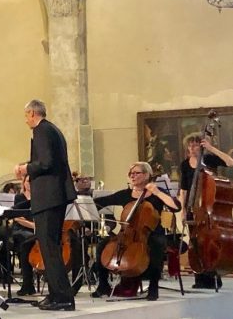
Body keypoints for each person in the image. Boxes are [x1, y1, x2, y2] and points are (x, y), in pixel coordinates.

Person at [13, 99, 77, 311]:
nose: (25, 121)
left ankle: (62, 297)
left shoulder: (41, 130)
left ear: (32, 113)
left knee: (49, 248)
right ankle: (57, 294)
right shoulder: (53, 130)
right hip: (55, 195)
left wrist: (25, 168)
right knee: (51, 248)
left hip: (48, 197)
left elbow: (46, 162)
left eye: (25, 116)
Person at [91, 162, 181, 300]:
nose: (132, 176)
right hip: (128, 233)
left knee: (157, 244)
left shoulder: (156, 193)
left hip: (153, 233)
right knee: (103, 244)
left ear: (146, 175)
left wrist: (157, 191)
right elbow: (99, 202)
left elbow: (176, 207)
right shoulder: (126, 194)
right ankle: (103, 285)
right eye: (131, 174)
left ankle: (153, 286)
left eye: (136, 173)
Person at [177, 131, 233, 289]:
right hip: (193, 208)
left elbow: (230, 162)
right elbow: (184, 189)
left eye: (196, 144)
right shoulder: (185, 164)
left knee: (210, 242)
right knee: (195, 242)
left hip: (208, 209)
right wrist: (183, 209)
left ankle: (213, 274)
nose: (192, 147)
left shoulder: (209, 159)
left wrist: (211, 148)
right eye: (190, 145)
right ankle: (199, 276)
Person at [11, 175, 37, 296]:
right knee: (27, 241)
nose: (30, 183)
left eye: (33, 181)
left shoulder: (40, 198)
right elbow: (17, 217)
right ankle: (28, 283)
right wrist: (33, 226)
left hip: (36, 229)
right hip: (21, 229)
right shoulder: (19, 197)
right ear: (24, 183)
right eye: (28, 181)